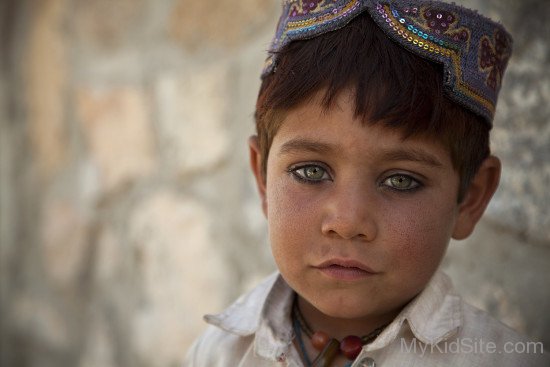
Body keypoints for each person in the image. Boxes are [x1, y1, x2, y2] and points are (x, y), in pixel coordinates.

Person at [183, 0, 549, 366]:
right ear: (262, 178)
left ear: (470, 197)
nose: (347, 222)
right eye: (310, 171)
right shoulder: (218, 353)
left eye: (401, 180)